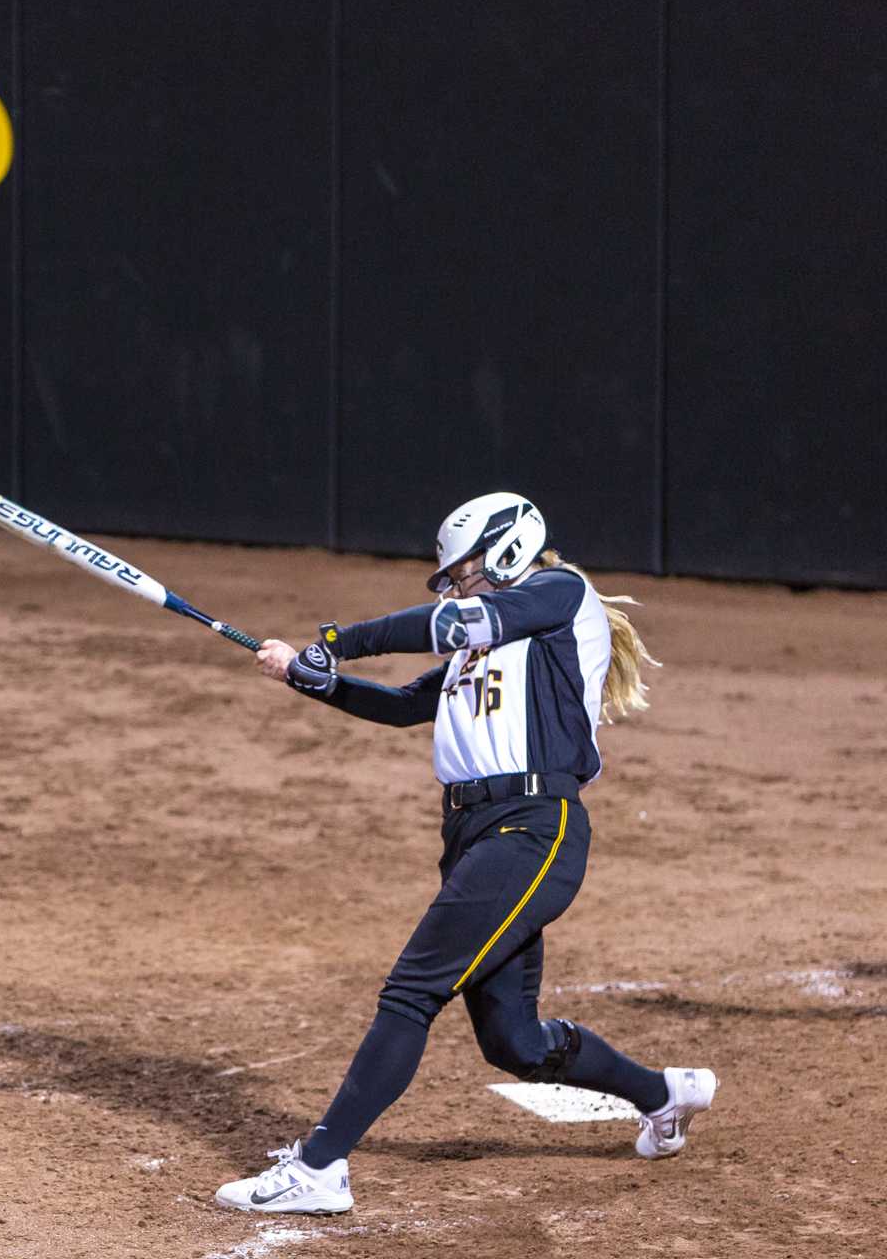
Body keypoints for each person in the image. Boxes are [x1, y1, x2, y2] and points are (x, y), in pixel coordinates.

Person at [214, 492, 715, 1216]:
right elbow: (402, 703)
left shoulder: (556, 594)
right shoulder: (482, 643)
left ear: (510, 548)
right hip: (476, 839)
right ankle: (663, 1095)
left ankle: (321, 1168)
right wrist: (312, 678)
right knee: (512, 1040)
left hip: (532, 830)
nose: (455, 584)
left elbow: (450, 623)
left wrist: (339, 638)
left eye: (465, 569)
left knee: (412, 992)